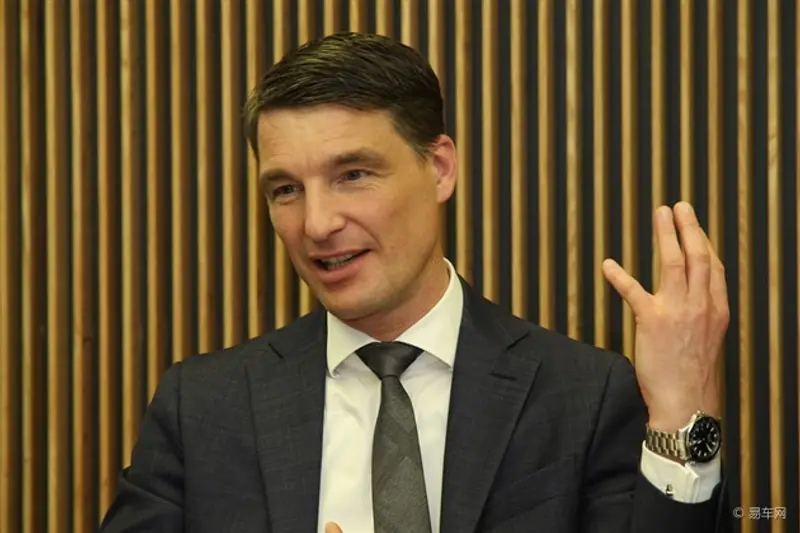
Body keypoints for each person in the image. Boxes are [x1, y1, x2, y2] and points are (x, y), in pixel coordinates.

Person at [99, 32, 731, 533]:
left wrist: (681, 412)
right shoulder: (202, 408)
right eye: (286, 189)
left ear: (439, 168)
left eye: (353, 175)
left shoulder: (582, 396)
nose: (317, 223)